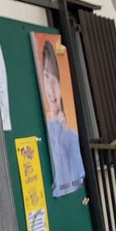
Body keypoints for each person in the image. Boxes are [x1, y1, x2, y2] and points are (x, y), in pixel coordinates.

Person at [40, 39, 85, 197]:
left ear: (60, 84)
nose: (50, 89)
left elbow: (79, 175)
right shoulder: (42, 127)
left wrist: (65, 133)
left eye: (54, 80)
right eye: (46, 77)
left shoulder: (72, 134)